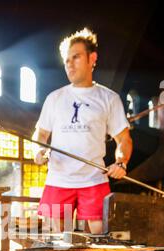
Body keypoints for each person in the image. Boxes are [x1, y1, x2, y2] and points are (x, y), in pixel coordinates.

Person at [33, 28, 133, 234]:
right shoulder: (54, 98)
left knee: (100, 239)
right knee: (56, 242)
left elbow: (123, 139)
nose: (69, 63)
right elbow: (41, 134)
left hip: (94, 179)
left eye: (76, 57)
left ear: (92, 58)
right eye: (67, 59)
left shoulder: (109, 98)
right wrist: (38, 150)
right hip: (58, 179)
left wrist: (121, 162)